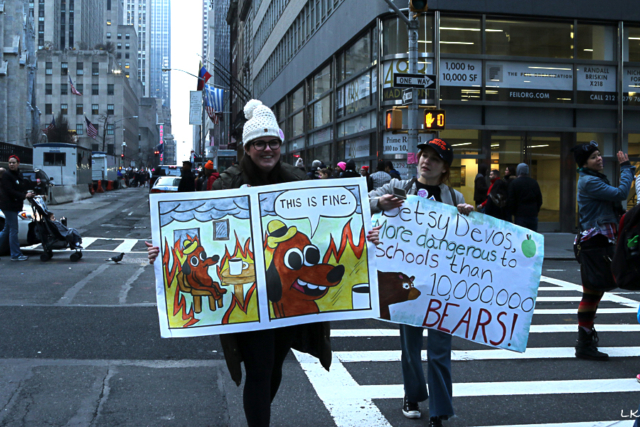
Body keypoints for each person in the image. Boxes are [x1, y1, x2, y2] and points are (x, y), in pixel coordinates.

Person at [147, 99, 330, 427]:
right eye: (259, 143)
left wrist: (369, 226)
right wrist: (164, 252)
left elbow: (326, 223)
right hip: (244, 294)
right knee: (259, 368)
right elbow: (198, 236)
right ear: (247, 147)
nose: (267, 149)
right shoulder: (226, 183)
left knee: (274, 368)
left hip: (286, 295)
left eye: (273, 142)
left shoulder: (298, 180)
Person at [368, 138, 474, 426]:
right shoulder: (397, 187)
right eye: (424, 155)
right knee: (410, 345)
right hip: (408, 284)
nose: (427, 161)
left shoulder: (453, 197)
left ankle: (439, 410)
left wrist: (470, 218)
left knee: (440, 350)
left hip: (442, 285)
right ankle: (412, 394)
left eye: (435, 159)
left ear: (444, 168)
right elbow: (359, 204)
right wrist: (379, 203)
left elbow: (470, 242)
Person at [571, 141, 635, 360]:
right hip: (595, 243)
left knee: (594, 292)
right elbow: (620, 193)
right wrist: (627, 168)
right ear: (584, 163)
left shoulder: (593, 178)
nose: (599, 159)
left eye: (599, 155)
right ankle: (584, 343)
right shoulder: (589, 181)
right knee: (592, 292)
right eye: (593, 157)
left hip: (598, 241)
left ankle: (585, 340)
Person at [0, 155, 34, 261]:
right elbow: (10, 191)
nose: (11, 164)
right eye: (10, 162)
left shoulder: (18, 174)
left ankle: (15, 253)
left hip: (14, 206)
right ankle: (15, 254)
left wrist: (27, 192)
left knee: (7, 230)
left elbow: (20, 188)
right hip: (8, 206)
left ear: (18, 164)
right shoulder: (6, 175)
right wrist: (24, 196)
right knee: (14, 230)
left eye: (13, 162)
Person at [507, 163, 543, 231]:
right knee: (532, 237)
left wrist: (513, 212)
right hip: (532, 214)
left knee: (521, 236)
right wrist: (535, 210)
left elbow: (511, 200)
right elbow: (539, 199)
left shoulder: (514, 183)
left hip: (520, 214)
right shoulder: (534, 182)